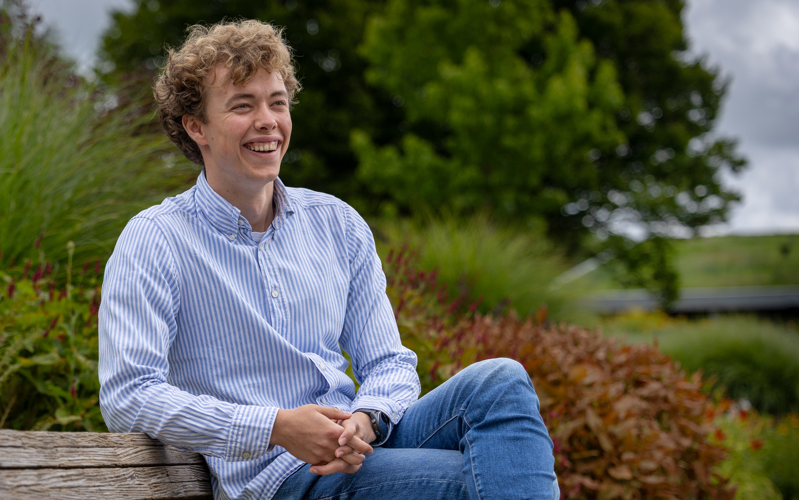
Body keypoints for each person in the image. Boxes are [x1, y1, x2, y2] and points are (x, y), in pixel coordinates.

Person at [98, 19, 559, 500]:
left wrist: (366, 419)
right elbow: (129, 395)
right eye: (243, 105)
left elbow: (389, 363)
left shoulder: (336, 223)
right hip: (275, 477)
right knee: (481, 479)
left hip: (358, 447)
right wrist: (275, 427)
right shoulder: (156, 238)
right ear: (197, 127)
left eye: (277, 102)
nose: (267, 121)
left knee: (501, 381)